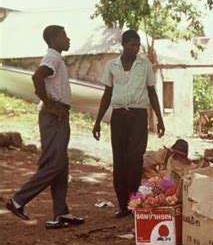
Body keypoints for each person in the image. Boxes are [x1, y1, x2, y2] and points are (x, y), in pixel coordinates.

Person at [5, 25, 84, 228]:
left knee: (61, 164)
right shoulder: (53, 58)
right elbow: (37, 77)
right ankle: (18, 200)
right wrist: (50, 106)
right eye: (64, 36)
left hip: (59, 112)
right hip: (54, 114)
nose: (68, 39)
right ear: (53, 39)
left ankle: (61, 213)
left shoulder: (56, 57)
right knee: (54, 164)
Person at [92, 29, 165, 218]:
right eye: (132, 45)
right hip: (118, 118)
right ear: (123, 45)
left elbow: (152, 92)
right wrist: (98, 121)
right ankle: (123, 206)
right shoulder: (112, 66)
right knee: (120, 162)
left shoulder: (144, 65)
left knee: (135, 160)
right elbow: (107, 94)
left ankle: (134, 204)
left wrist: (159, 119)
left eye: (137, 45)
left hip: (138, 117)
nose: (135, 48)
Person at [143, 139, 208, 180]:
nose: (179, 157)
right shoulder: (162, 154)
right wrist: (156, 176)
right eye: (178, 155)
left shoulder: (175, 160)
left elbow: (185, 167)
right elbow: (145, 163)